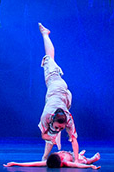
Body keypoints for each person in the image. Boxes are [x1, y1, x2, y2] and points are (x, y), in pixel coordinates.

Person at [37, 23, 79, 162]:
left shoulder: (67, 118)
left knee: (52, 132)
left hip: (64, 96)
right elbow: (43, 134)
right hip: (57, 85)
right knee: (49, 57)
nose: (59, 129)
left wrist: (77, 160)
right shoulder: (47, 115)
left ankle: (45, 157)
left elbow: (74, 140)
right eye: (59, 127)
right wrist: (51, 137)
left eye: (60, 127)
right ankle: (45, 34)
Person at [4, 149, 101, 169]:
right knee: (83, 160)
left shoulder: (51, 159)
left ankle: (80, 154)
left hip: (69, 152)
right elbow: (77, 165)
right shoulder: (65, 162)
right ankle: (91, 158)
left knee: (78, 156)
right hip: (73, 157)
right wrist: (90, 165)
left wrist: (15, 163)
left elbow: (33, 163)